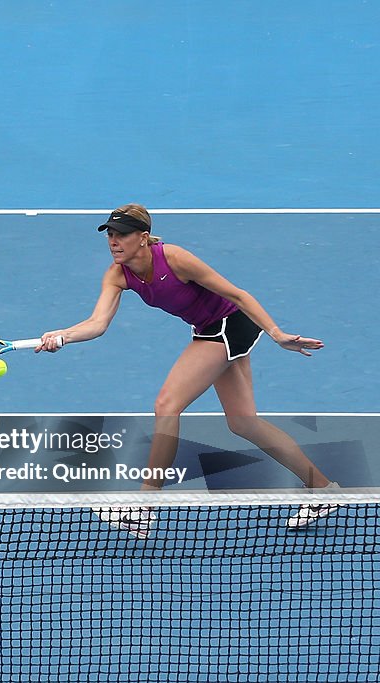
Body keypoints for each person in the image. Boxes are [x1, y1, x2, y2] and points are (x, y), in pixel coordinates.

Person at [34, 203, 339, 537]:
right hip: (208, 329)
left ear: (143, 237)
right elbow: (97, 323)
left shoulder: (175, 258)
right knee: (243, 423)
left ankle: (144, 507)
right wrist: (61, 336)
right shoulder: (117, 274)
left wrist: (277, 334)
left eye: (121, 234)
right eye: (110, 234)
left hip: (229, 326)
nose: (113, 241)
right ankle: (322, 489)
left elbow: (238, 294)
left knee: (167, 405)